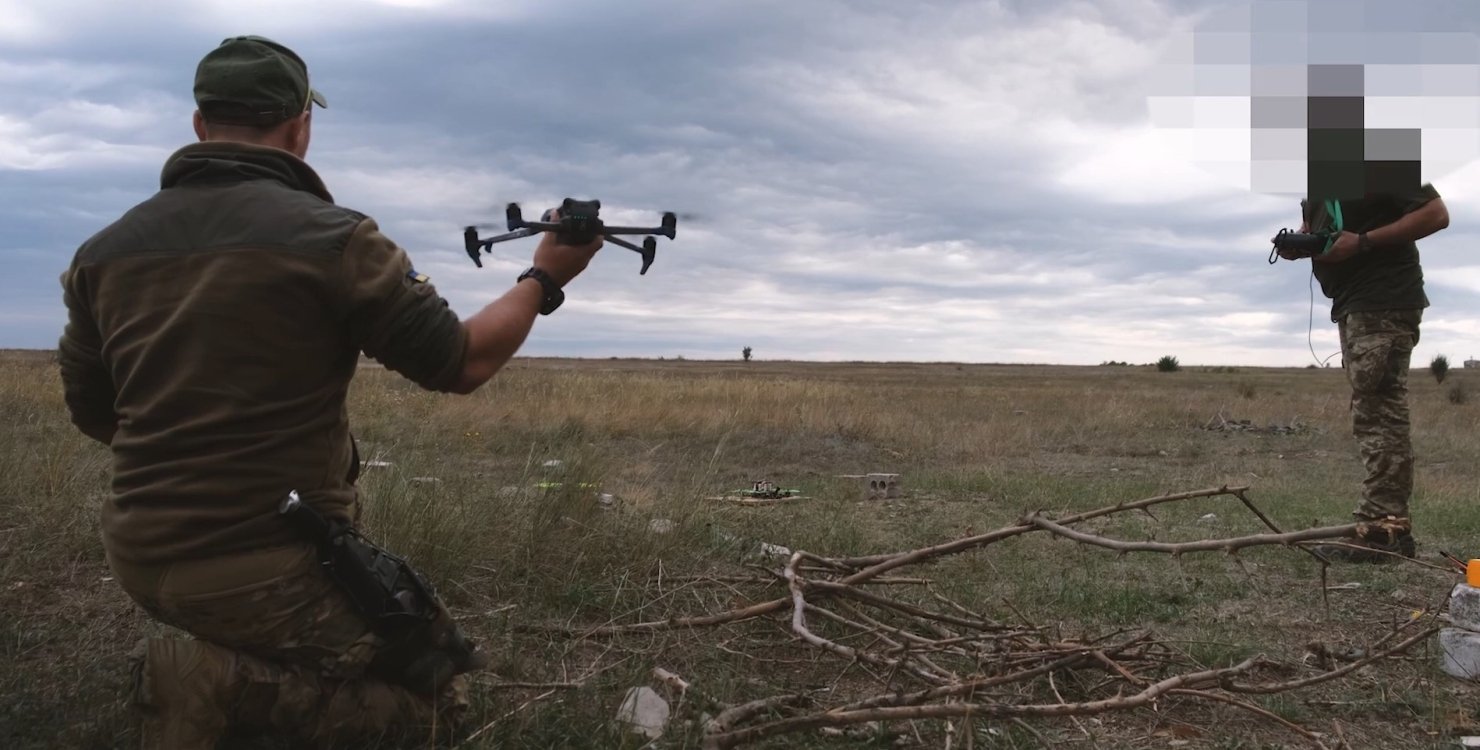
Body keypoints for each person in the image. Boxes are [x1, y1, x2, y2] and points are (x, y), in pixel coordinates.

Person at [56, 35, 603, 748]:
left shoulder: (102, 253)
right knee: (437, 703)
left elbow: (95, 411)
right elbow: (461, 362)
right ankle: (211, 683)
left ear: (199, 124)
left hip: (137, 553)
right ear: (299, 129)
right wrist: (545, 276)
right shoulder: (334, 240)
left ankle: (231, 680)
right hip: (265, 564)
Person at [1280, 179, 1450, 562]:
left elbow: (1436, 214)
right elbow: (1331, 237)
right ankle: (1387, 527)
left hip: (1383, 299)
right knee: (1373, 412)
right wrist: (1304, 244)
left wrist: (1362, 242)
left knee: (1380, 416)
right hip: (1357, 302)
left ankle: (1381, 533)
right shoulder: (1320, 182)